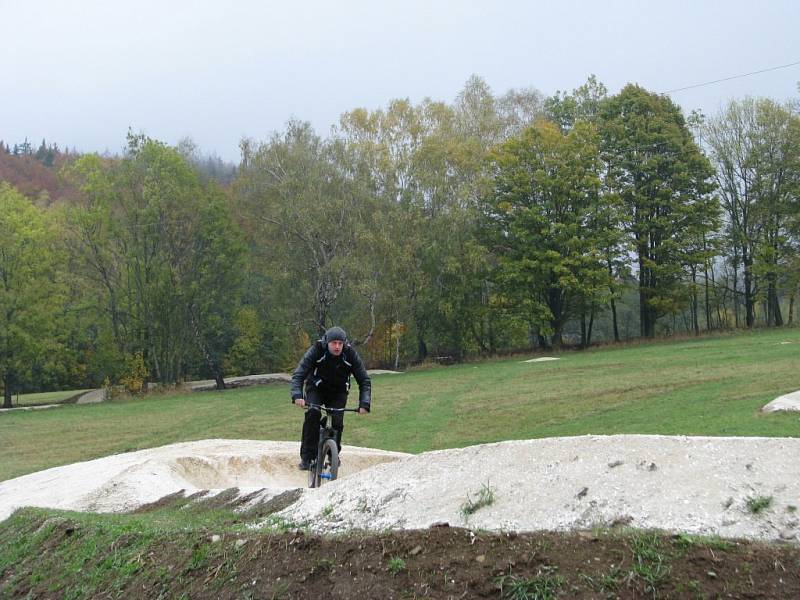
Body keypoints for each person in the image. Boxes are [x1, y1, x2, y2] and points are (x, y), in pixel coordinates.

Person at [291, 326, 371, 470]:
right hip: (316, 387)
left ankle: (333, 454)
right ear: (326, 342)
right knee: (313, 413)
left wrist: (364, 403)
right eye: (334, 343)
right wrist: (297, 395)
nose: (337, 346)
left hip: (338, 391)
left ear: (345, 344)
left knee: (337, 420)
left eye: (340, 343)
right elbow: (299, 373)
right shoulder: (316, 350)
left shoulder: (350, 354)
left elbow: (364, 380)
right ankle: (307, 457)